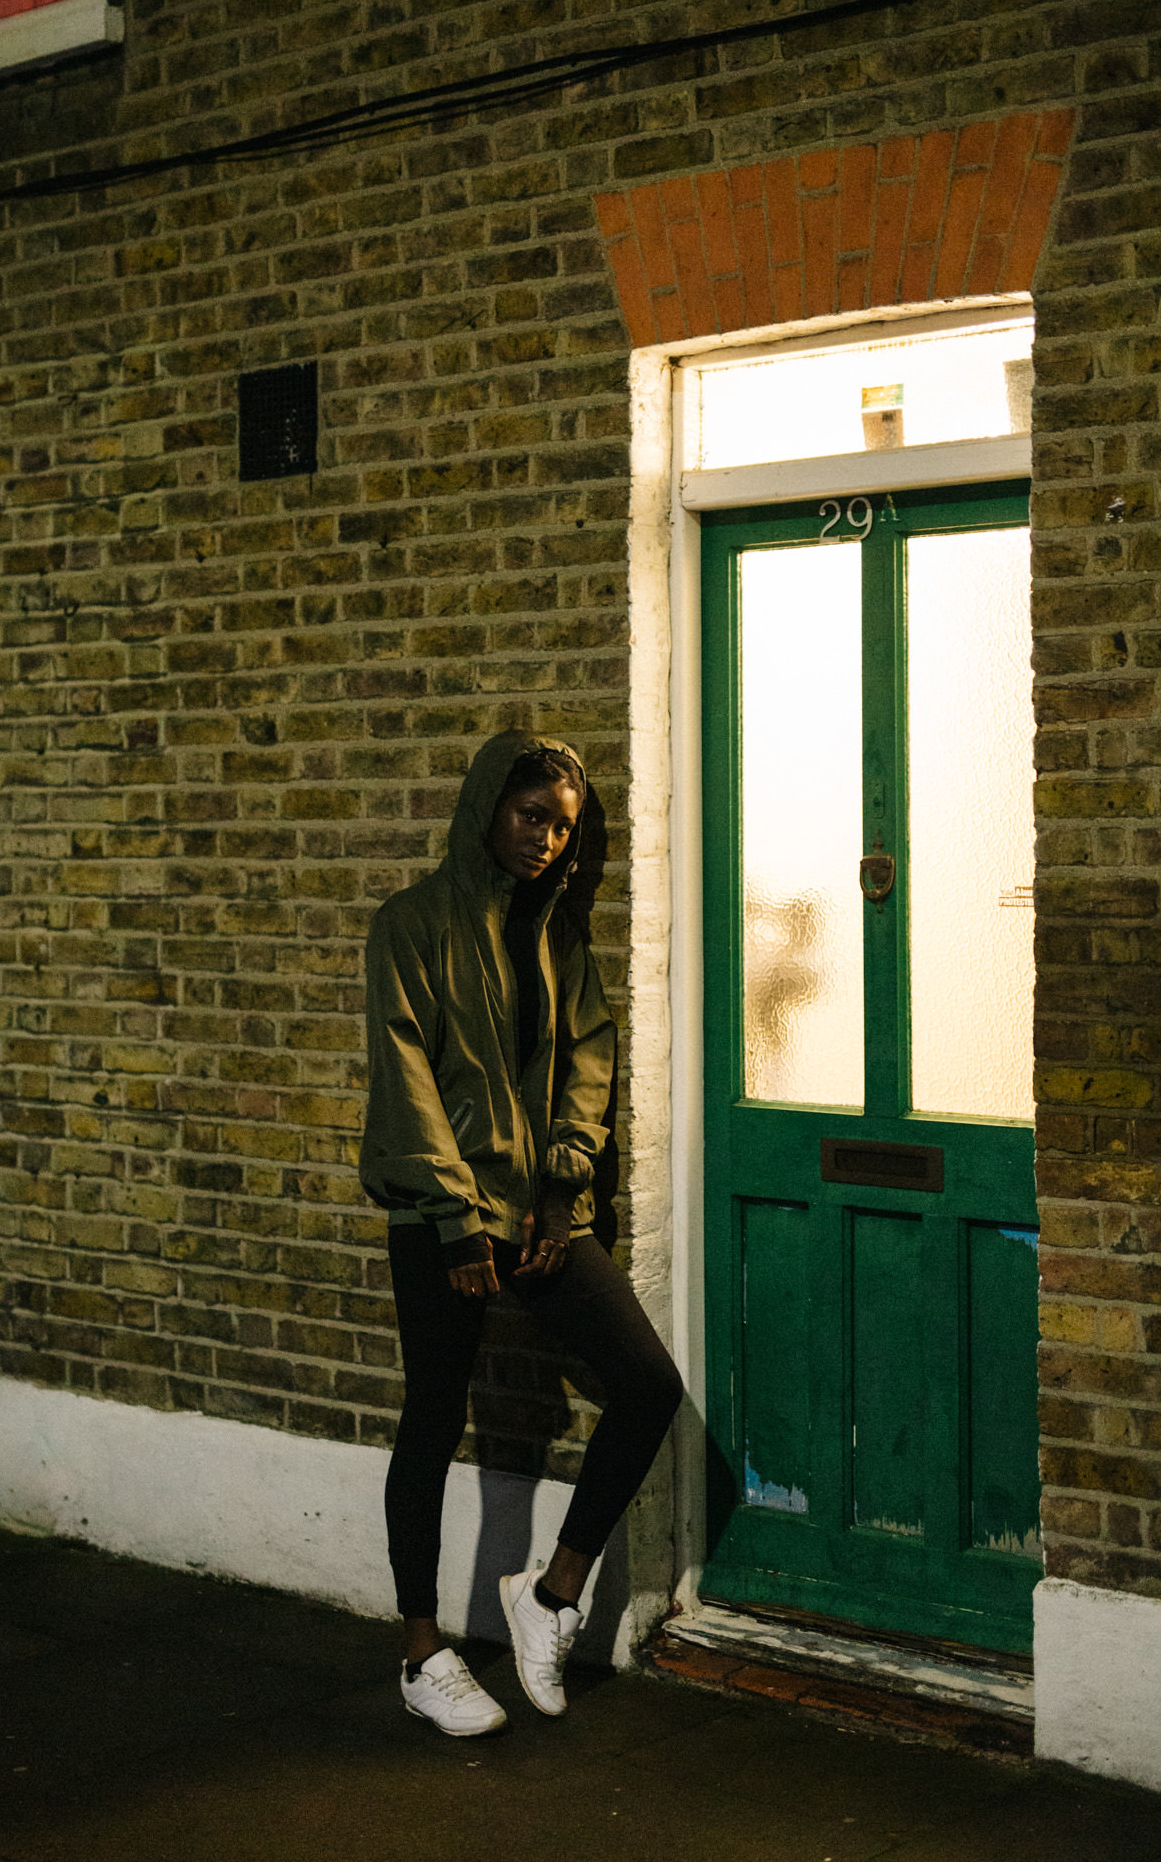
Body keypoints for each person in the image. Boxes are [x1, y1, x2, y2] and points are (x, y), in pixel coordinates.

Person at [359, 729, 684, 1737]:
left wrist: (564, 1184)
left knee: (646, 1386)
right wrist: (457, 1220)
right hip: (440, 1217)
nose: (545, 839)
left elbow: (588, 1056)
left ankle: (548, 1596)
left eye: (563, 827)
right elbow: (405, 1072)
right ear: (486, 807)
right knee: (434, 1413)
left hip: (537, 1215)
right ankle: (420, 1650)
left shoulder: (556, 935)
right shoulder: (409, 924)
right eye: (530, 814)